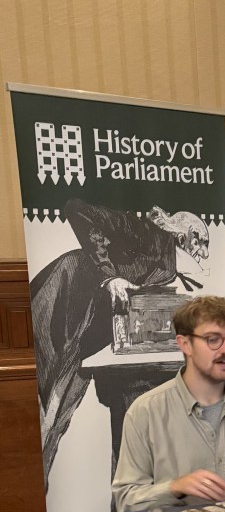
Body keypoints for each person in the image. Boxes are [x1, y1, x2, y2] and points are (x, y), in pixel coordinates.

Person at [31, 198, 210, 487]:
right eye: (201, 244)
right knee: (45, 415)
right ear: (183, 238)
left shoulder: (167, 266)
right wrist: (109, 276)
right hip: (62, 308)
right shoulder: (140, 231)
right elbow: (77, 209)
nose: (205, 254)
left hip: (89, 338)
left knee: (57, 421)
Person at [112, 295, 225, 512]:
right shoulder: (145, 412)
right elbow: (126, 500)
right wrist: (175, 488)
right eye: (213, 339)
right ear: (185, 344)